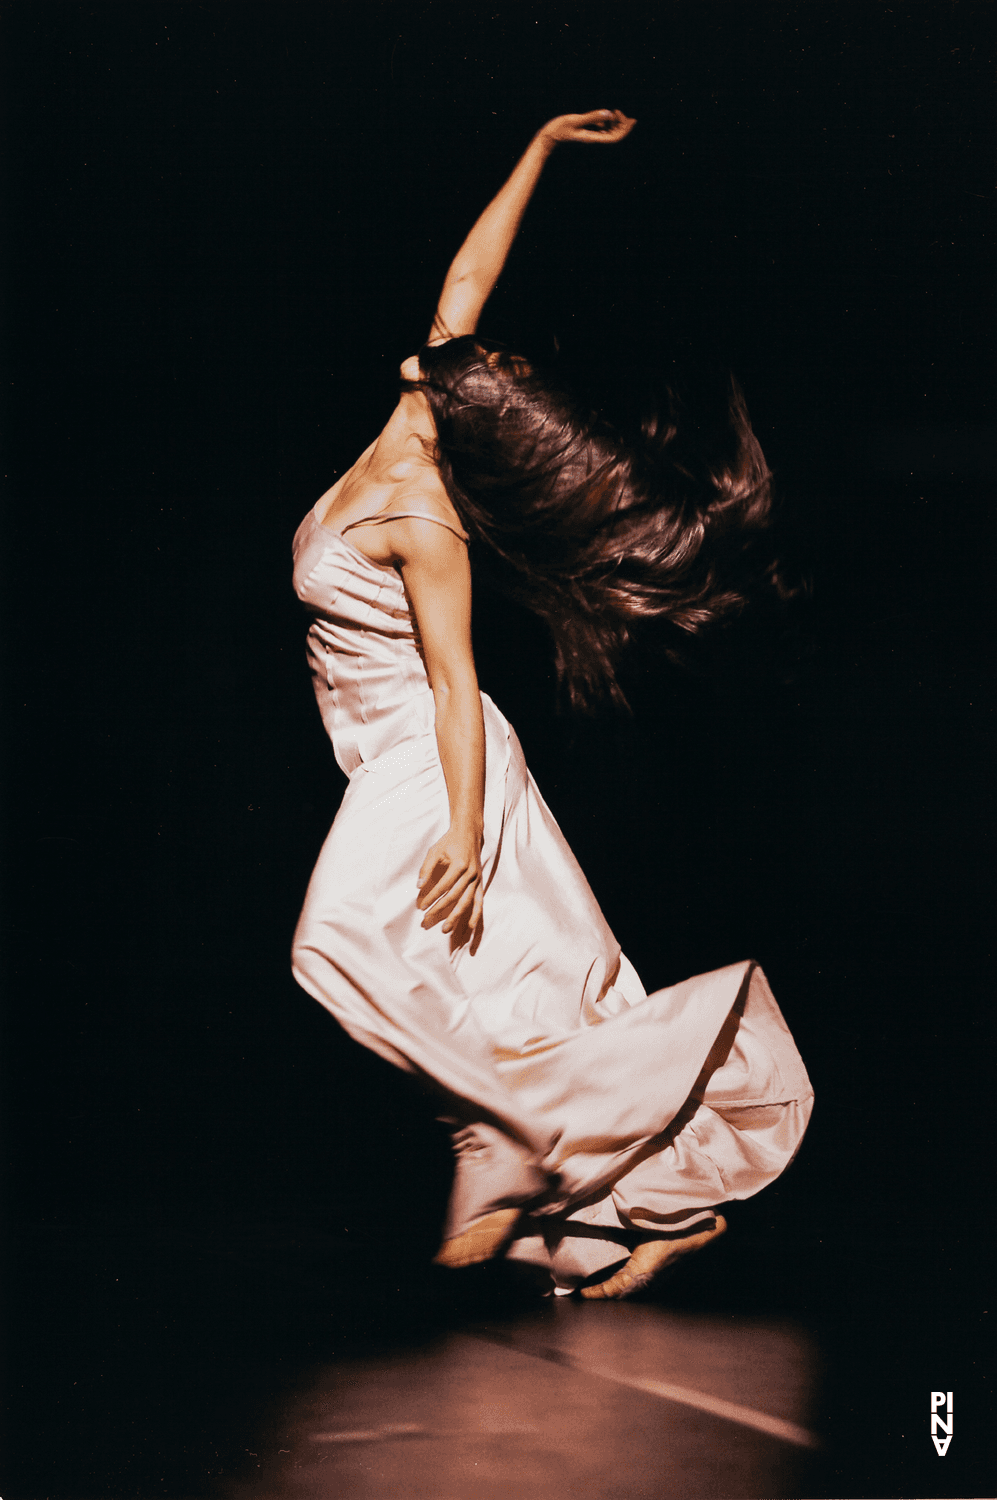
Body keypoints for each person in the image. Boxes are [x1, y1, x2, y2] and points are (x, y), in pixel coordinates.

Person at [291, 109, 813, 1298]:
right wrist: (540, 146)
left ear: (468, 416)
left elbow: (459, 687)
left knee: (330, 945)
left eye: (478, 364)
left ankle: (494, 1142)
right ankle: (656, 1210)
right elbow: (467, 276)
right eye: (475, 356)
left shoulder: (424, 513)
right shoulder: (411, 411)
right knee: (535, 1000)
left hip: (433, 764)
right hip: (392, 762)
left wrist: (468, 829)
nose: (453, 349)